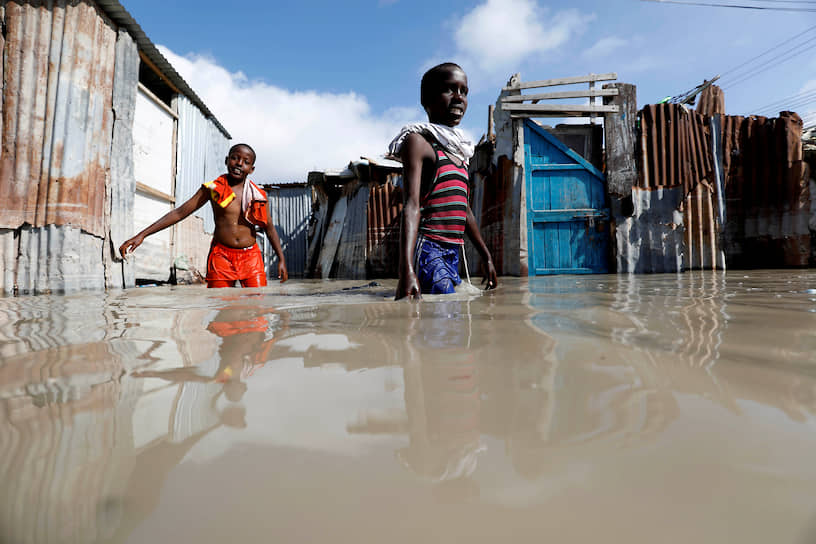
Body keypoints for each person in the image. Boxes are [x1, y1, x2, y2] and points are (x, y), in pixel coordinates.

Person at [388, 63, 497, 300]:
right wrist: (405, 270)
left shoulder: (460, 151)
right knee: (443, 313)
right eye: (450, 90)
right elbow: (412, 206)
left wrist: (486, 256)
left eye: (464, 91)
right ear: (426, 99)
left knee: (450, 320)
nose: (459, 98)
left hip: (452, 252)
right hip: (428, 249)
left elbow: (464, 209)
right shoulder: (418, 143)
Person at [119, 143, 288, 287]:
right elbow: (179, 213)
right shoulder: (213, 189)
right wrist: (142, 235)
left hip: (251, 256)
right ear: (226, 160)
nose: (239, 164)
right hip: (221, 255)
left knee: (256, 309)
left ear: (251, 169)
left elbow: (269, 228)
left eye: (245, 162)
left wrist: (281, 259)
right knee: (221, 314)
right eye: (235, 158)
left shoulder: (257, 195)